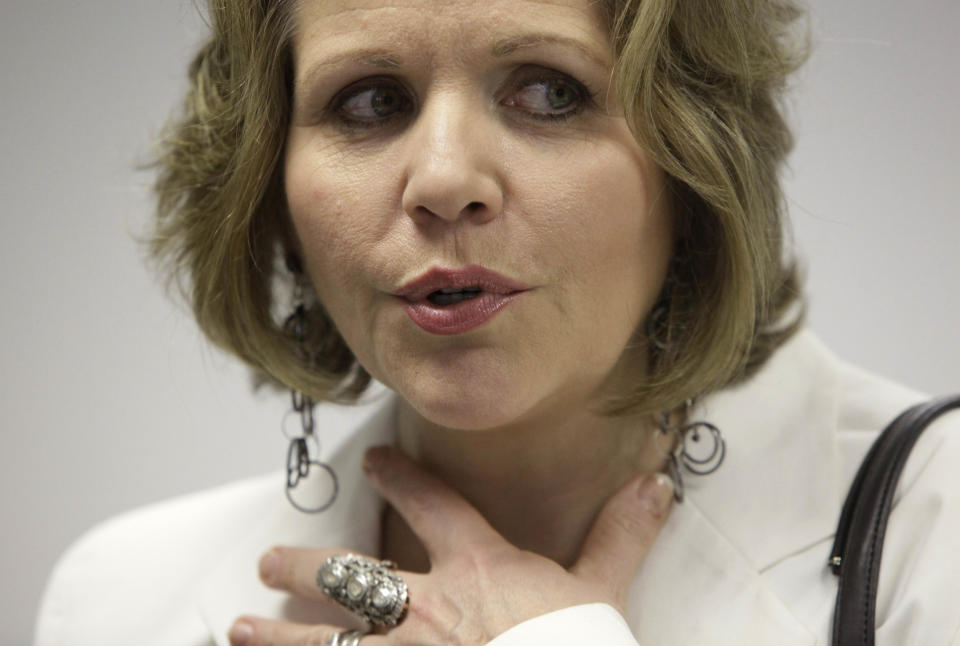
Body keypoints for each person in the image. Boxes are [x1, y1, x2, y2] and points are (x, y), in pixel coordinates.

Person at [34, 0, 960, 645]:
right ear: (267, 192)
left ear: (696, 163)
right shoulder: (117, 601)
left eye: (549, 91)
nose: (443, 179)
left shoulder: (935, 529)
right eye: (369, 100)